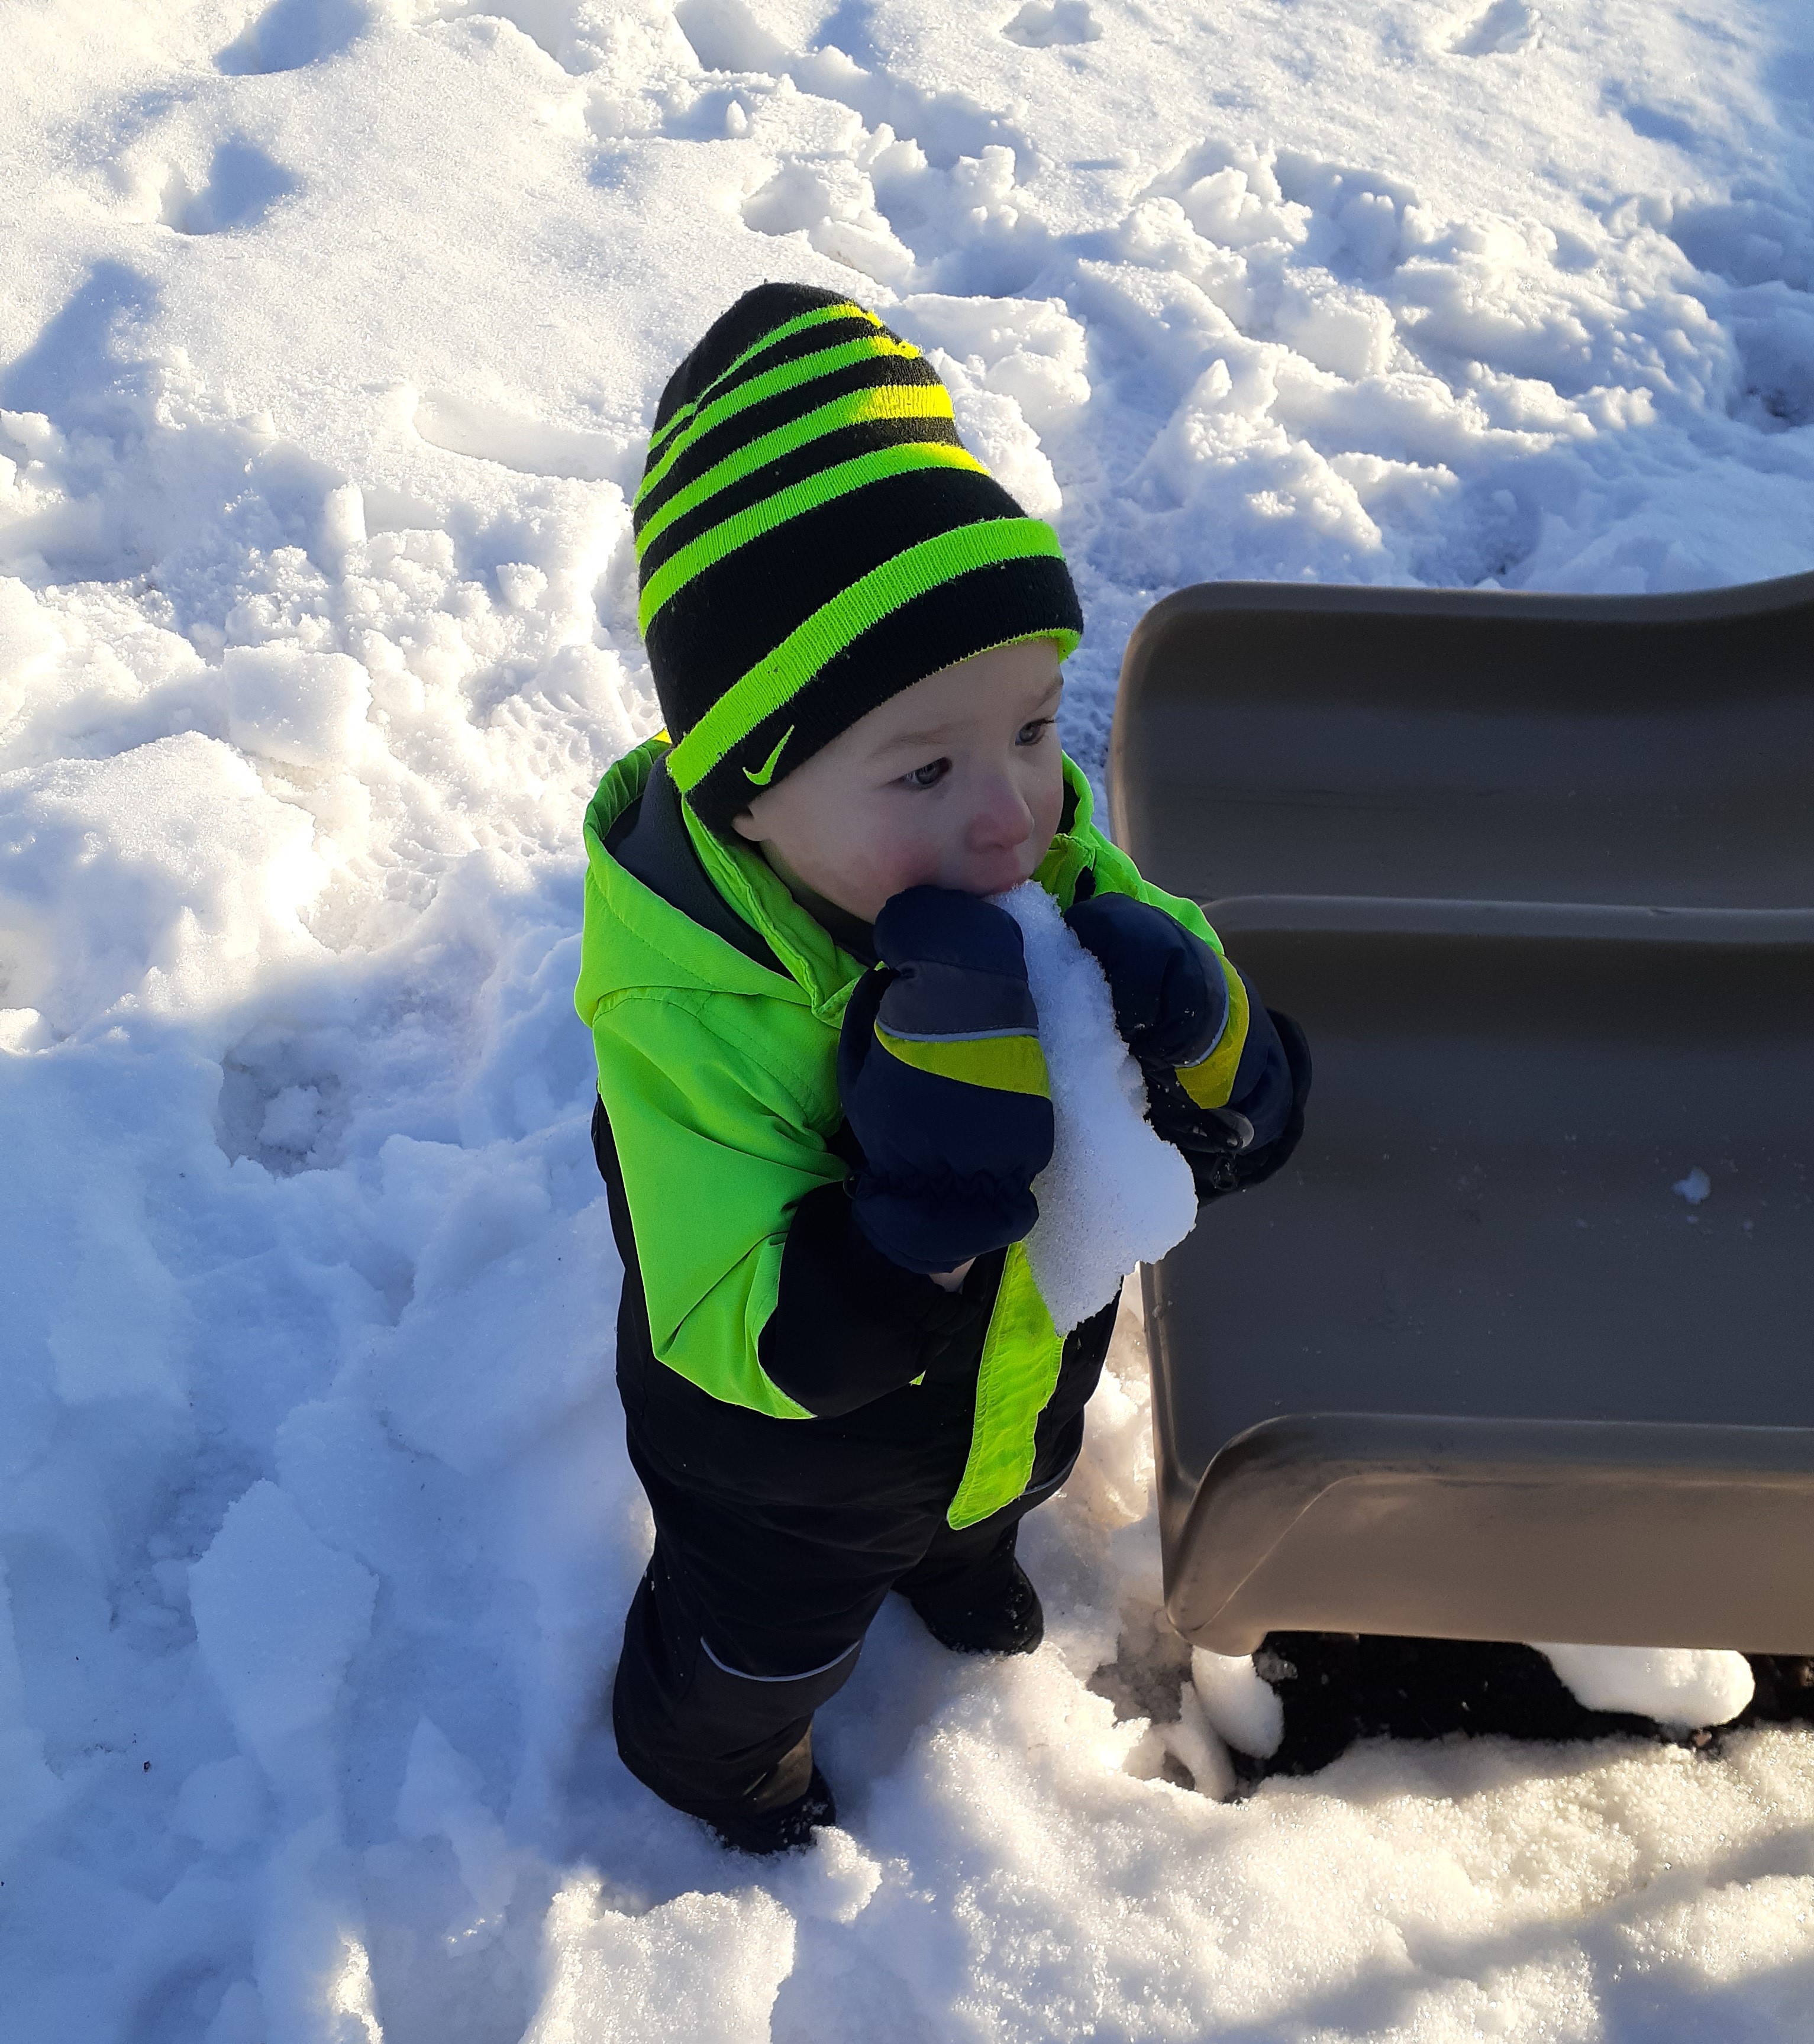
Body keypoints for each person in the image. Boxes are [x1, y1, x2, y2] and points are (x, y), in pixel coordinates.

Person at [574, 283, 1309, 1854]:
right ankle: (712, 1758)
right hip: (783, 1484)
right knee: (761, 1645)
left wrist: (1203, 1033)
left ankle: (961, 1550)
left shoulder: (1050, 879)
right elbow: (741, 1341)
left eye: (1035, 727)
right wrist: (910, 1209)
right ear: (747, 793)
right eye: (923, 765)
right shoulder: (691, 1013)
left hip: (1008, 1392)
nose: (1010, 816)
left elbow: (1250, 1122)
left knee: (991, 1497)